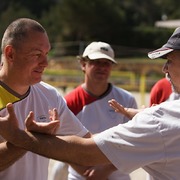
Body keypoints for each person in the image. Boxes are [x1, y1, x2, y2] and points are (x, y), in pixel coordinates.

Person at [2, 27, 180, 179]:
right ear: (83, 64)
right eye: (37, 54)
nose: (46, 63)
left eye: (169, 60)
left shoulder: (154, 115)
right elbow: (85, 148)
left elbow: (86, 149)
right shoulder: (66, 98)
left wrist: (20, 137)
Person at [0, 18, 91, 180]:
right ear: (10, 54)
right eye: (36, 54)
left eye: (46, 54)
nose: (45, 63)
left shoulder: (49, 95)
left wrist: (135, 131)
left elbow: (84, 144)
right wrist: (29, 140)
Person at [50, 41, 137, 180]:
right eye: (96, 62)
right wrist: (88, 174)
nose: (102, 67)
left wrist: (106, 170)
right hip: (80, 176)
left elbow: (133, 142)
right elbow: (62, 145)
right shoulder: (68, 102)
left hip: (118, 176)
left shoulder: (127, 99)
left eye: (106, 63)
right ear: (83, 64)